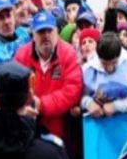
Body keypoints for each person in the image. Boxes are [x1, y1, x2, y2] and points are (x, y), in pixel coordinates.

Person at [15, 11, 84, 142]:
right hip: (26, 127)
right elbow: (14, 88)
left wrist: (42, 104)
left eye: (49, 31)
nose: (46, 36)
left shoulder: (69, 53)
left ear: (57, 32)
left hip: (60, 129)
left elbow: (72, 91)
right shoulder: (21, 55)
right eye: (41, 32)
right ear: (33, 35)